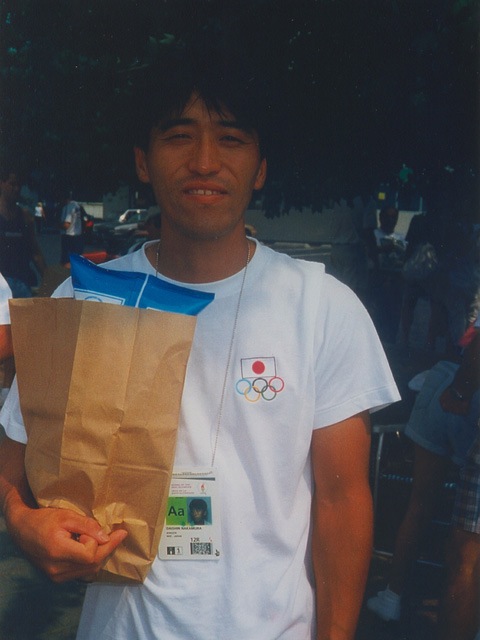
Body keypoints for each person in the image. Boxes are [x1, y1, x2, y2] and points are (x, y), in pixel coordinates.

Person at [0, 50, 400, 640]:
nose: (205, 161)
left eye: (231, 139)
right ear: (143, 160)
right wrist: (20, 521)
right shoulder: (84, 300)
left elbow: (342, 501)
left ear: (260, 168)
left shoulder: (320, 307)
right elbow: (12, 459)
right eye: (179, 136)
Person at [367, 322, 480, 624]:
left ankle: (392, 596)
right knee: (468, 529)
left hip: (448, 381)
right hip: (462, 387)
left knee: (420, 503)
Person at [0, 170, 46, 297]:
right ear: (1, 183)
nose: (16, 189)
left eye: (18, 185)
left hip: (21, 284)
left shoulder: (26, 217)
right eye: (12, 184)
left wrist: (49, 281)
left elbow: (35, 253)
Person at [60, 195, 84, 266]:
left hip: (69, 237)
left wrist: (57, 225)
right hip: (78, 236)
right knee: (76, 260)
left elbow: (66, 225)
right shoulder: (77, 206)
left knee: (67, 261)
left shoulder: (68, 207)